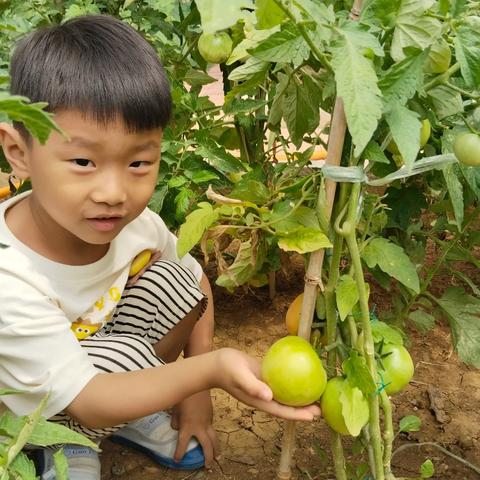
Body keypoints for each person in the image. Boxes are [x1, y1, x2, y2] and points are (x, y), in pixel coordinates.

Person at [0, 14, 319, 480]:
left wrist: (194, 398)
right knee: (113, 372)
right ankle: (64, 444)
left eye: (138, 162)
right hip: (42, 398)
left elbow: (198, 285)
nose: (113, 192)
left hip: (104, 358)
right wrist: (208, 372)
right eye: (83, 161)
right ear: (19, 151)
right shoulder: (10, 274)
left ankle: (125, 415)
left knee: (180, 278)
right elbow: (89, 396)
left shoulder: (135, 225)